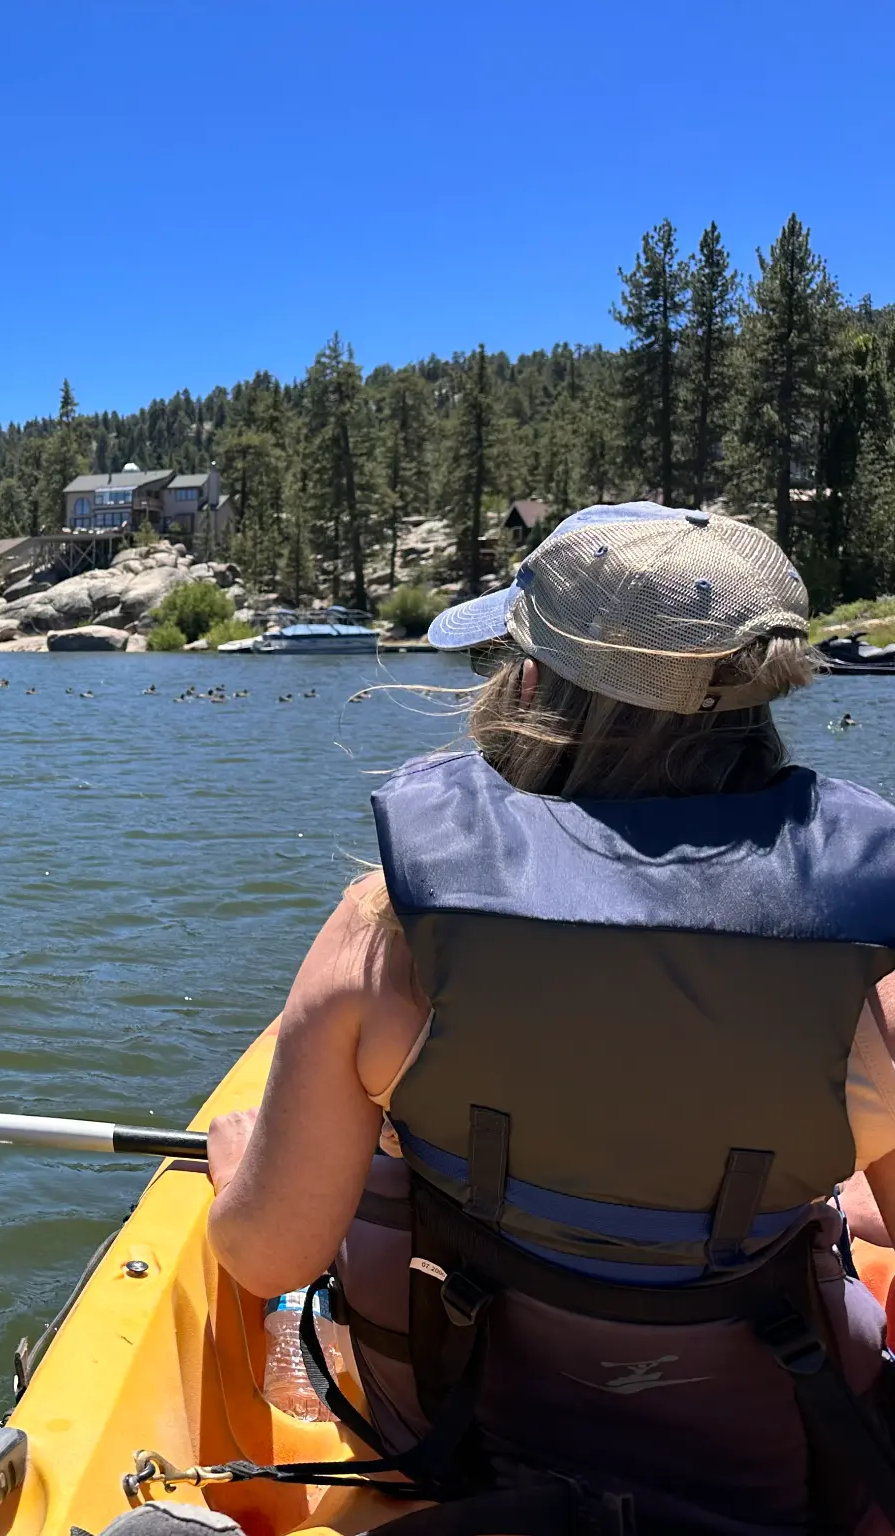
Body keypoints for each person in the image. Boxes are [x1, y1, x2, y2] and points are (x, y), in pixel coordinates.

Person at [204, 504, 895, 1535]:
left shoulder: (382, 938)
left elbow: (269, 1260)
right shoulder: (864, 983)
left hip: (458, 1445)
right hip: (760, 1472)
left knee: (365, 1174)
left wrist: (236, 1168)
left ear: (528, 683)